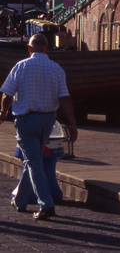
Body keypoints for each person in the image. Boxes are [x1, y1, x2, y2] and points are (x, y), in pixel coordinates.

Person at [0, 33, 78, 220]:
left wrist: (2, 112)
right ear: (47, 49)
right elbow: (65, 98)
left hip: (26, 120)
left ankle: (46, 204)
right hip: (48, 121)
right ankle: (20, 201)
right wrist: (73, 124)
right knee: (31, 159)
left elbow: (7, 94)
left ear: (29, 48)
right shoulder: (57, 69)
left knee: (34, 162)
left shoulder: (21, 66)